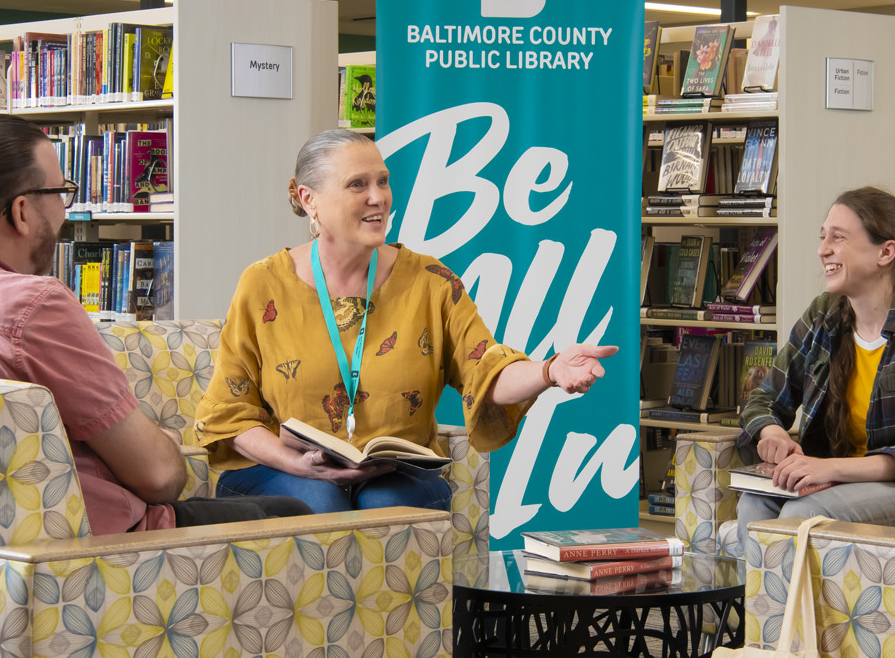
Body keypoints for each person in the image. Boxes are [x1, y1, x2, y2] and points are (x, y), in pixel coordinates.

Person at [0, 113, 309, 537]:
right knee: (295, 516)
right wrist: (163, 442)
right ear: (21, 211)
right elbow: (160, 476)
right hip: (75, 549)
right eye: (61, 193)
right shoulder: (31, 307)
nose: (64, 210)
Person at [198, 127, 615, 517]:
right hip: (284, 470)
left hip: (395, 476)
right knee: (320, 500)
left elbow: (486, 370)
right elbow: (228, 412)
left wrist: (549, 370)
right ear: (310, 200)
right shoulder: (262, 284)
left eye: (383, 181)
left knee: (386, 505)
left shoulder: (431, 282)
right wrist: (301, 465)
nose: (378, 197)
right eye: (357, 184)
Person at [733, 185, 895, 557]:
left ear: (886, 252)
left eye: (838, 238)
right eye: (823, 237)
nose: (823, 250)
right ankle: (761, 617)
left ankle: (804, 618)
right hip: (842, 477)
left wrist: (826, 469)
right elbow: (764, 397)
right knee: (754, 506)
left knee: (804, 511)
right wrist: (772, 431)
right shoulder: (824, 313)